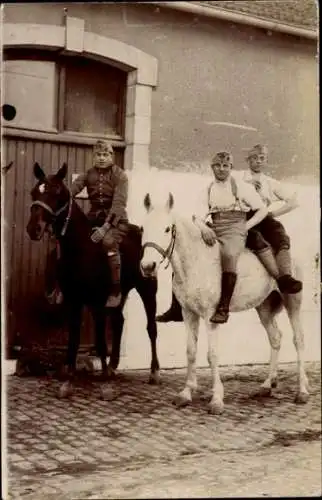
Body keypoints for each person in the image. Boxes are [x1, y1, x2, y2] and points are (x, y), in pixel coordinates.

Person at [45, 139, 129, 308]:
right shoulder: (88, 174)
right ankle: (62, 286)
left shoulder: (120, 176)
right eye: (98, 154)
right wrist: (56, 189)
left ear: (112, 156)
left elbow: (119, 205)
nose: (102, 158)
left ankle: (115, 290)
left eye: (105, 154)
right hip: (93, 218)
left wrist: (105, 228)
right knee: (69, 240)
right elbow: (70, 192)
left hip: (116, 222)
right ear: (94, 157)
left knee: (108, 242)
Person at [242, 144, 302, 294]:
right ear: (248, 160)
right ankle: (278, 278)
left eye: (262, 158)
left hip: (263, 217)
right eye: (254, 158)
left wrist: (274, 214)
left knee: (280, 235)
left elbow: (293, 201)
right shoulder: (238, 177)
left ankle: (286, 277)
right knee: (255, 238)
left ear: (266, 160)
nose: (258, 161)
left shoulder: (269, 182)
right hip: (243, 217)